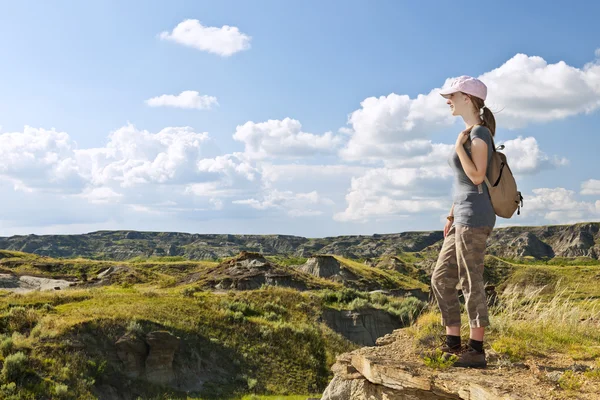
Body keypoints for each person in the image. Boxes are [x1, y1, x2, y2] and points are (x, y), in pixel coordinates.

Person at [430, 75, 496, 369]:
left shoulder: (479, 134)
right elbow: (462, 183)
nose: (448, 101)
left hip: (475, 218)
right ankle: (453, 343)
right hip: (461, 217)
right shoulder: (470, 133)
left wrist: (459, 147)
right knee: (441, 277)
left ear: (467, 99)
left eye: (452, 96)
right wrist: (451, 214)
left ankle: (476, 350)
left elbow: (477, 177)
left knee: (471, 281)